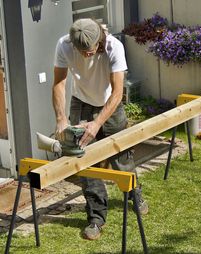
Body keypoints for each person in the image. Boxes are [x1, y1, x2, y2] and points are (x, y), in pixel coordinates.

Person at [52, 18, 148, 240]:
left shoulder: (115, 46)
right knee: (85, 161)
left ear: (100, 41)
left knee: (121, 157)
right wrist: (60, 119)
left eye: (91, 50)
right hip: (81, 102)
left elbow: (117, 93)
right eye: (82, 51)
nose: (87, 55)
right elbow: (58, 82)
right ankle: (96, 216)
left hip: (110, 106)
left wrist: (97, 124)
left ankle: (135, 193)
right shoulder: (64, 45)